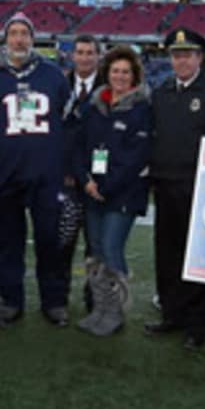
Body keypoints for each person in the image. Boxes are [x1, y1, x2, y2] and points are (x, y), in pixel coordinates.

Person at [145, 27, 205, 350]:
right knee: (167, 254)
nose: (181, 60)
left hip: (201, 188)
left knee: (198, 258)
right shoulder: (161, 91)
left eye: (187, 54)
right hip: (166, 186)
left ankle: (198, 323)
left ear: (200, 57)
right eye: (176, 55)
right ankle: (173, 313)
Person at [0, 12, 71, 328]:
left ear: (33, 39)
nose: (18, 39)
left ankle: (54, 301)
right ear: (5, 39)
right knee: (7, 242)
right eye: (13, 33)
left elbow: (68, 123)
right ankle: (10, 300)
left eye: (24, 33)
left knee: (50, 240)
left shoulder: (54, 76)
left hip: (46, 174)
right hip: (5, 175)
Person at [73, 45, 151, 337]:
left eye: (125, 72)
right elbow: (78, 146)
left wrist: (104, 186)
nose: (119, 76)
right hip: (93, 190)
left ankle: (115, 313)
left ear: (134, 76)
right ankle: (100, 309)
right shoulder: (94, 106)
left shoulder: (142, 109)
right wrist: (86, 180)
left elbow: (137, 156)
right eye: (115, 71)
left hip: (123, 193)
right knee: (94, 251)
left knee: (110, 248)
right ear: (107, 73)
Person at [60, 34, 103, 311]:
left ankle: (95, 297)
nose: (85, 57)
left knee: (96, 244)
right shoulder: (59, 86)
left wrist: (96, 175)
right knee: (62, 242)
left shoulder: (111, 86)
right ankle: (58, 297)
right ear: (72, 56)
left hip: (96, 180)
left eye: (90, 53)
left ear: (98, 56)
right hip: (64, 180)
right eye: (80, 52)